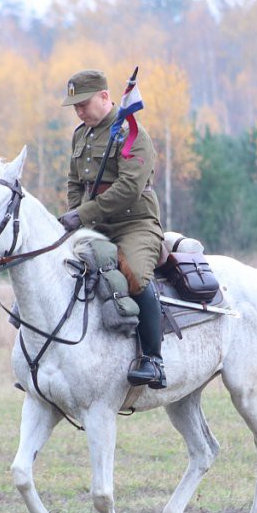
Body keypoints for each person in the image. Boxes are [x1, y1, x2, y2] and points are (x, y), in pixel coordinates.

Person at [58, 69, 167, 389]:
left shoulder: (131, 133)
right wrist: (76, 215)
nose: (79, 111)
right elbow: (75, 181)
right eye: (75, 106)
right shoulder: (81, 135)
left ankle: (153, 359)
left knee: (132, 272)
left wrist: (84, 214)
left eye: (84, 103)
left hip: (135, 223)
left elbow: (130, 187)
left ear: (105, 97)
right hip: (95, 225)